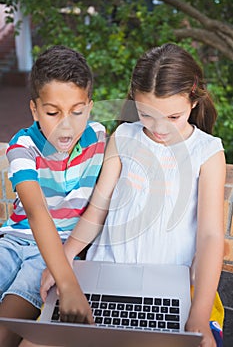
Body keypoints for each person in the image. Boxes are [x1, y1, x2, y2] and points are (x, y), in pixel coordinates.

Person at [36, 42, 225, 347]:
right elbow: (97, 210)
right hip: (104, 274)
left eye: (173, 117)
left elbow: (210, 237)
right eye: (147, 115)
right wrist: (64, 257)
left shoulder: (207, 152)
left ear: (193, 98)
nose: (159, 129)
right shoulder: (124, 137)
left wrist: (200, 314)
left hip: (166, 287)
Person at [0, 45, 106, 347]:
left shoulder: (99, 138)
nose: (66, 125)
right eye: (52, 112)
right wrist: (68, 285)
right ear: (35, 109)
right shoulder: (22, 147)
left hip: (51, 253)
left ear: (89, 106)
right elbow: (36, 213)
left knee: (5, 330)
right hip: (14, 241)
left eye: (77, 111)